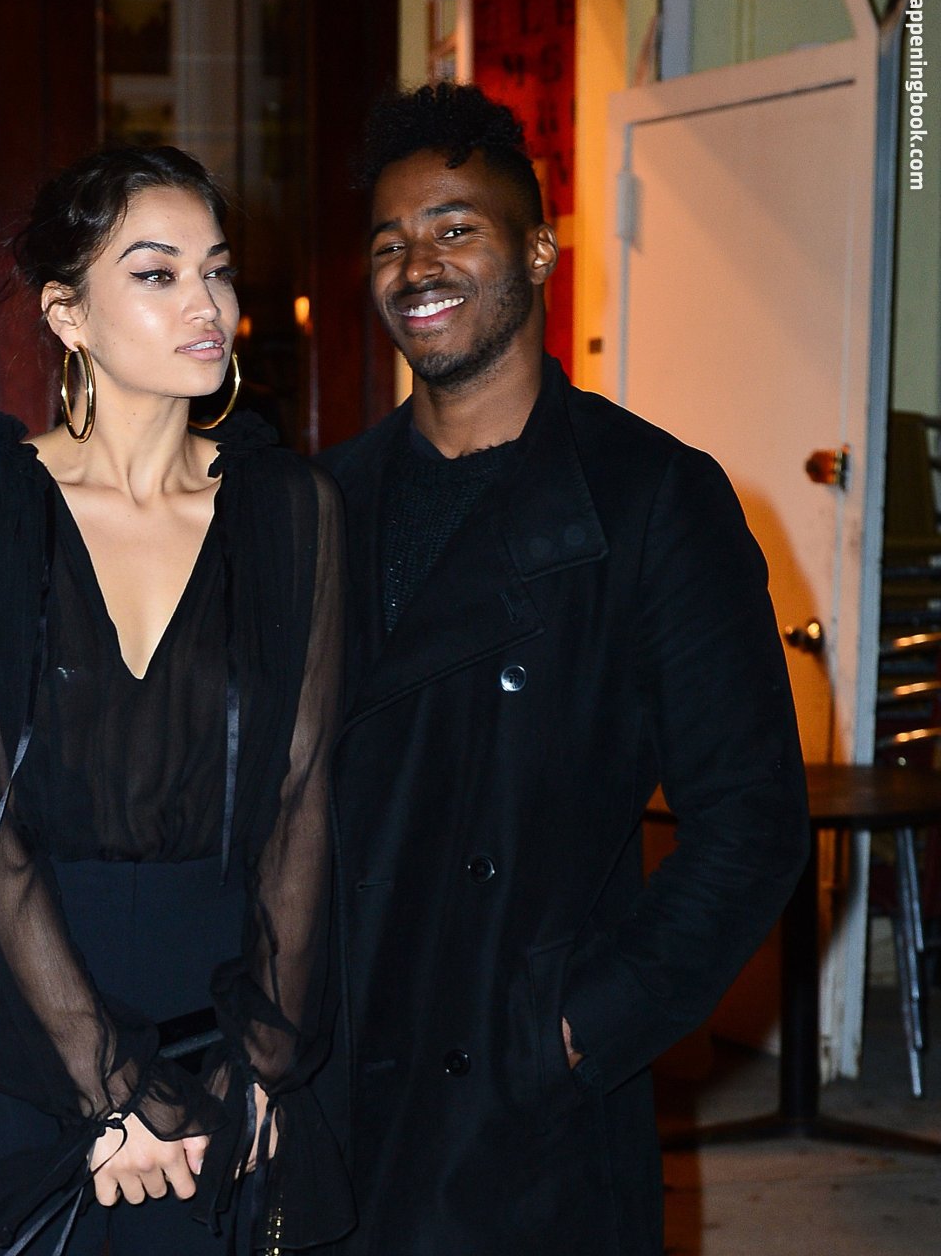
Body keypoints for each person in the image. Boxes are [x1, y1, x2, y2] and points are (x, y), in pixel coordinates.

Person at [317, 83, 809, 1254]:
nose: (417, 266)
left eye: (454, 228)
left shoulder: (650, 496)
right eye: (389, 242)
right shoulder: (323, 501)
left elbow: (752, 819)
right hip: (338, 1069)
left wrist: (583, 1024)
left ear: (538, 249)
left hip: (519, 1093)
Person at [0, 145, 351, 1255]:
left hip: (226, 1032)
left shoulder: (292, 508)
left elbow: (302, 794)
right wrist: (108, 1084)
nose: (207, 304)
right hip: (17, 1031)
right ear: (69, 314)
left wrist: (262, 1060)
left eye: (218, 270)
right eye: (157, 274)